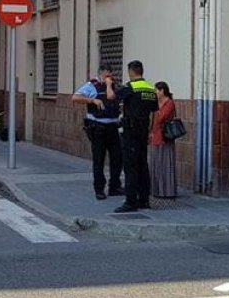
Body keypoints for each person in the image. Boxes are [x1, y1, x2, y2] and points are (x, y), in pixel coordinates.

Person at [109, 60, 158, 213]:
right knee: (143, 165)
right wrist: (151, 131)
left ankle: (130, 202)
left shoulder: (130, 87)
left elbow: (111, 97)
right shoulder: (150, 89)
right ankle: (144, 200)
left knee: (130, 166)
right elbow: (154, 113)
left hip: (130, 132)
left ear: (131, 72)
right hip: (144, 131)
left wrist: (109, 84)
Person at [72, 65, 123, 200]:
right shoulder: (92, 85)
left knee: (117, 158)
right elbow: (75, 97)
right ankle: (99, 189)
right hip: (97, 128)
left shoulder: (113, 86)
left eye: (110, 75)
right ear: (101, 73)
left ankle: (114, 186)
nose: (109, 78)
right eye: (107, 75)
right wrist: (92, 100)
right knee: (99, 160)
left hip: (112, 127)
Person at [149, 81, 178, 199]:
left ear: (162, 91)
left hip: (164, 136)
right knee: (155, 162)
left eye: (157, 90)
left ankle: (166, 190)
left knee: (165, 163)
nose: (155, 93)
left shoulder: (169, 103)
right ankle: (156, 189)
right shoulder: (157, 103)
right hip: (155, 135)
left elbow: (161, 117)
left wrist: (156, 111)